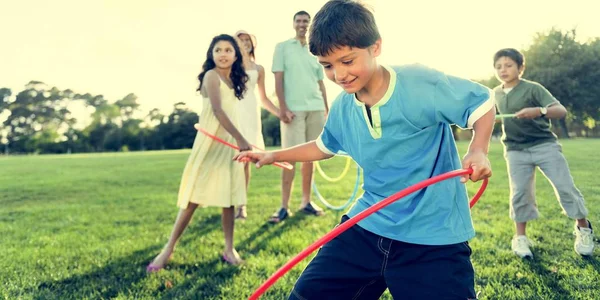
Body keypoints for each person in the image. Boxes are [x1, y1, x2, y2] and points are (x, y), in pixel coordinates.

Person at [234, 1, 495, 298]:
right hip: (368, 224)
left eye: (347, 61)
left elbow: (481, 102)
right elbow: (323, 146)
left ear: (376, 47)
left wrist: (478, 149)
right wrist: (273, 155)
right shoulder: (345, 106)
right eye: (327, 66)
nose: (339, 75)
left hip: (433, 234)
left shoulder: (419, 82)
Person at [147, 34, 250, 270]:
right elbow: (217, 111)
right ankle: (167, 249)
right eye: (218, 50)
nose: (223, 54)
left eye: (227, 50)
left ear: (235, 55)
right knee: (193, 198)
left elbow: (232, 115)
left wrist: (240, 139)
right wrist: (241, 138)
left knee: (229, 199)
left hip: (228, 147)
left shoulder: (234, 81)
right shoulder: (211, 77)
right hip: (210, 146)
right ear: (211, 54)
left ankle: (229, 248)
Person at [493, 48, 594, 258]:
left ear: (521, 67)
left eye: (509, 65)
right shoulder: (495, 93)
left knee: (565, 187)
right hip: (515, 150)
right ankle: (520, 238)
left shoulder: (533, 89)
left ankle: (583, 229)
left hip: (544, 146)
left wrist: (539, 111)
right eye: (499, 66)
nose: (503, 70)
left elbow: (561, 110)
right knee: (520, 193)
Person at [269, 10, 329, 223]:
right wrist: (282, 107)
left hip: (315, 107)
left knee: (311, 156)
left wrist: (326, 107)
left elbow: (321, 82)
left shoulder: (316, 49)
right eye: (299, 21)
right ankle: (284, 206)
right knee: (289, 158)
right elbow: (278, 79)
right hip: (293, 110)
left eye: (306, 21)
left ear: (310, 24)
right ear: (294, 23)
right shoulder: (283, 48)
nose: (303, 24)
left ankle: (306, 202)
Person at [234, 30, 283, 220]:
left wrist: (280, 113)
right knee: (228, 159)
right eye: (240, 40)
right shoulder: (229, 66)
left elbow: (263, 98)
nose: (244, 43)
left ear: (252, 44)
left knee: (244, 161)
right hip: (234, 112)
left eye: (247, 40)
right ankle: (227, 202)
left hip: (250, 114)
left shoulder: (259, 69)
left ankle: (241, 205)